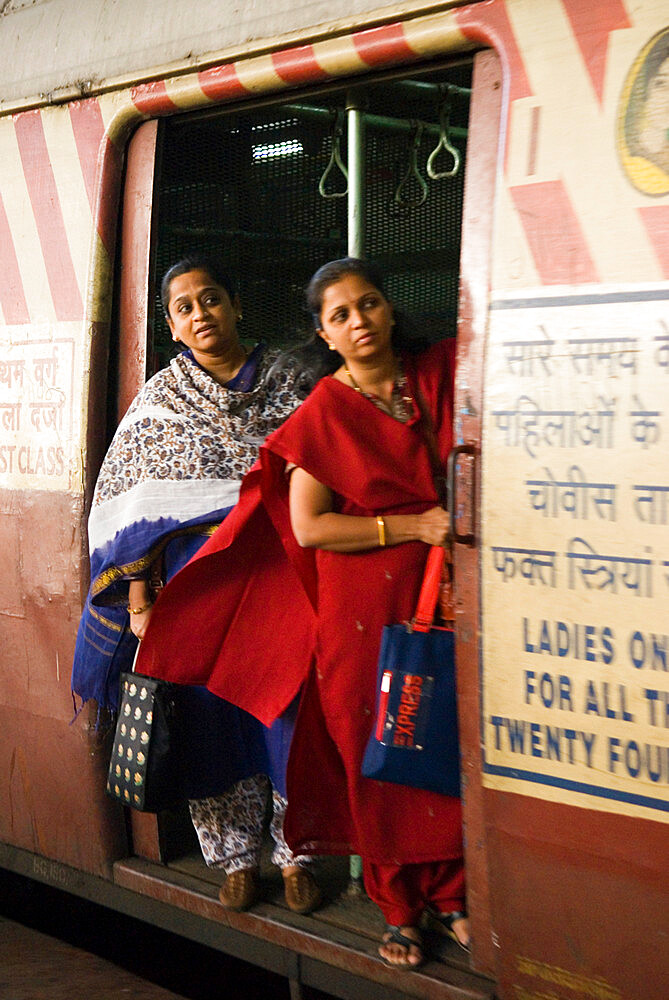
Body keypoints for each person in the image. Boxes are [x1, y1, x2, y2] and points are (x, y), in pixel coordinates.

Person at [137, 257, 468, 968]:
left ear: (389, 308)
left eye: (368, 304)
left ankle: (451, 893)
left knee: (441, 744)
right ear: (323, 332)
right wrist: (411, 528)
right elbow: (311, 527)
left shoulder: (438, 378)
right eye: (340, 315)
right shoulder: (322, 410)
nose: (359, 322)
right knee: (376, 754)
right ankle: (399, 907)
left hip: (441, 595)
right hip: (358, 608)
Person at [71, 254, 321, 916]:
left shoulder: (294, 383)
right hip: (195, 592)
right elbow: (128, 510)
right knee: (214, 720)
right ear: (172, 328)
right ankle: (234, 857)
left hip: (281, 583)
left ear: (235, 306)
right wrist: (139, 599)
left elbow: (325, 467)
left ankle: (297, 852)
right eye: (184, 307)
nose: (199, 313)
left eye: (210, 298)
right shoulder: (160, 403)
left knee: (287, 713)